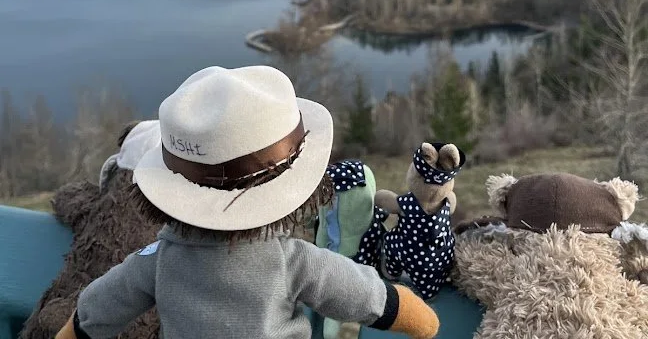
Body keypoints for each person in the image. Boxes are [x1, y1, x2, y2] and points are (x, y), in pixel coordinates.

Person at [54, 66, 440, 339]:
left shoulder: (160, 258)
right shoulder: (289, 259)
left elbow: (100, 307)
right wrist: (412, 315)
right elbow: (361, 295)